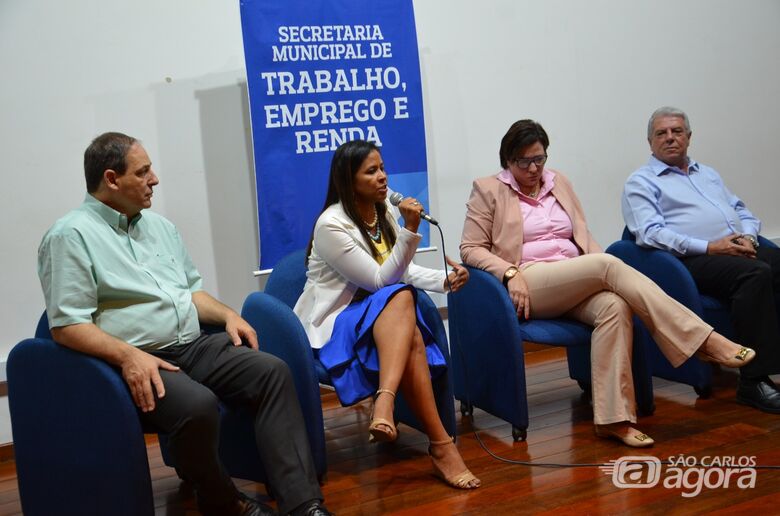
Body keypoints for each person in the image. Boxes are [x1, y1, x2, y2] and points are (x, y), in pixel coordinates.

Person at [37, 132, 331, 516]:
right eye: (142, 173)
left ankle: (303, 504)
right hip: (136, 358)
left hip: (194, 345)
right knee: (197, 405)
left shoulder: (159, 227)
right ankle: (224, 502)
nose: (154, 179)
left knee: (272, 372)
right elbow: (66, 326)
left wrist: (227, 315)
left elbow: (191, 292)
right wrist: (129, 357)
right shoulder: (70, 236)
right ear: (111, 179)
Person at [460, 119, 755, 447]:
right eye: (523, 161)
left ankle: (613, 419)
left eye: (539, 159)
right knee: (606, 265)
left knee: (614, 307)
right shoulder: (488, 189)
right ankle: (702, 340)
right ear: (508, 160)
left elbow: (583, 238)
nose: (533, 168)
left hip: (575, 276)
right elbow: (469, 249)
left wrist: (605, 280)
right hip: (530, 283)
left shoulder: (559, 183)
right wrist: (509, 274)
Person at [294, 140, 480, 489]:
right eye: (371, 171)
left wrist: (445, 279)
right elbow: (382, 279)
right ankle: (434, 440)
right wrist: (410, 230)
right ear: (349, 182)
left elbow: (403, 274)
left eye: (382, 168)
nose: (383, 177)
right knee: (402, 310)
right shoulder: (331, 225)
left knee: (403, 309)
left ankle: (396, 414)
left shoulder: (383, 211)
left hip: (383, 311)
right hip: (339, 318)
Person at [622, 106, 780, 414]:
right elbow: (649, 234)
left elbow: (742, 210)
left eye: (677, 132)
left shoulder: (707, 173)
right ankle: (753, 381)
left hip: (735, 248)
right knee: (754, 274)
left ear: (689, 137)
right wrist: (710, 247)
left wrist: (747, 237)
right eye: (661, 133)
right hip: (688, 260)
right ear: (650, 142)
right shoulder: (641, 182)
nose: (670, 138)